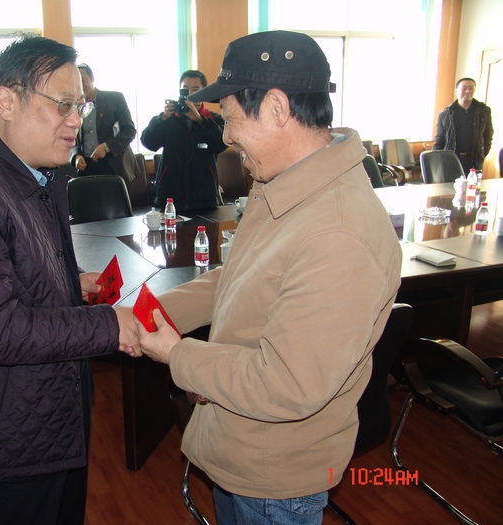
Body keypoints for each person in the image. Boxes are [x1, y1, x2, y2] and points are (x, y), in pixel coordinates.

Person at [131, 31, 402, 525]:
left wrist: (177, 354)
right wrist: (155, 312)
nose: (226, 136)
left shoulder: (338, 232)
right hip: (238, 440)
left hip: (275, 476)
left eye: (232, 118)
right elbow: (236, 278)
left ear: (277, 109)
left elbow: (285, 384)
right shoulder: (283, 182)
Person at [0, 35, 140, 525]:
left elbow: (24, 257)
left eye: (80, 105)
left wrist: (70, 280)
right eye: (63, 105)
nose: (76, 120)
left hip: (54, 401)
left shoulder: (36, 167)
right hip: (8, 424)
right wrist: (110, 324)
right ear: (7, 101)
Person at [141, 70, 226, 211]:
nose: (190, 94)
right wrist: (162, 119)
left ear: (203, 92)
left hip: (204, 198)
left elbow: (221, 143)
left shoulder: (213, 119)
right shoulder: (169, 119)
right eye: (185, 89)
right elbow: (149, 142)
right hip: (169, 198)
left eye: (195, 90)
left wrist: (200, 121)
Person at [70, 63, 139, 186]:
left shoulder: (115, 99)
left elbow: (129, 131)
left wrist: (107, 147)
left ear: (92, 78)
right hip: (86, 169)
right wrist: (76, 156)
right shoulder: (73, 106)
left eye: (82, 80)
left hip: (114, 166)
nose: (79, 85)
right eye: (75, 82)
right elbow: (71, 136)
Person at [433, 77, 494, 173]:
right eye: (464, 88)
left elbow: (488, 136)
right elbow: (439, 140)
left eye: (471, 88)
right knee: (449, 182)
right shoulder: (446, 113)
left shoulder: (483, 111)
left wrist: (481, 154)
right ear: (456, 91)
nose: (467, 91)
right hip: (450, 160)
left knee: (473, 182)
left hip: (474, 160)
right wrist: (436, 160)